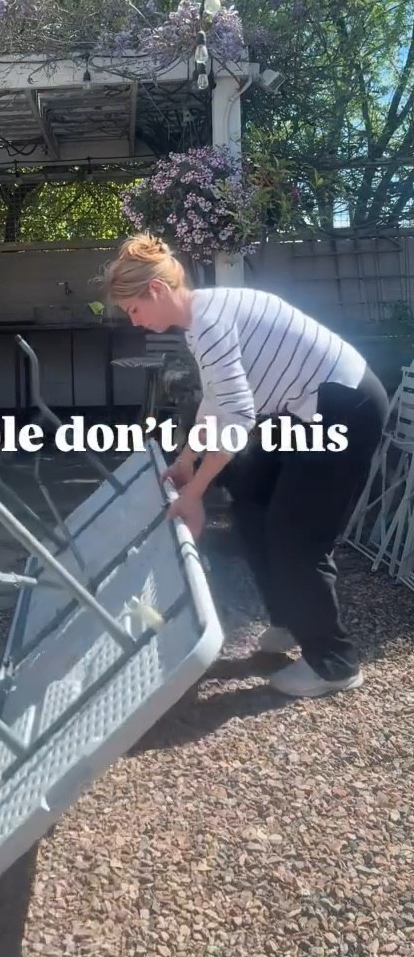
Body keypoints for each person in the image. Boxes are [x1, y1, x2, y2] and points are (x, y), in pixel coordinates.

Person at [100, 232, 390, 699]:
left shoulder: (209, 322)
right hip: (303, 409)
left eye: (133, 309)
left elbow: (236, 421)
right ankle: (290, 621)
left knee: (295, 533)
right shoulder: (202, 320)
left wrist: (193, 496)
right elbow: (217, 400)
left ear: (154, 291)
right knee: (251, 499)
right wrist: (186, 460)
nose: (135, 321)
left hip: (344, 407)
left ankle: (335, 664)